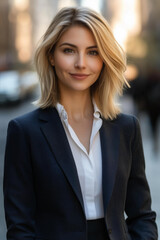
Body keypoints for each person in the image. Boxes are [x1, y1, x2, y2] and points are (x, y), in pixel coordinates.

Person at [3, 7, 158, 240]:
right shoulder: (24, 131)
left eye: (93, 52)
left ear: (104, 60)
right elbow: (20, 228)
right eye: (69, 50)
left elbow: (142, 215)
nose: (81, 63)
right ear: (51, 56)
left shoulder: (126, 128)